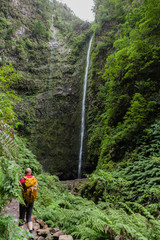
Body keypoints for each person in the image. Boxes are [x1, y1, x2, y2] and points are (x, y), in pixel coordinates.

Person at [19, 168, 38, 234]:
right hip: (31, 200)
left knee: (21, 217)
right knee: (29, 216)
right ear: (31, 172)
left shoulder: (22, 179)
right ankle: (30, 232)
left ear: (25, 172)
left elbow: (19, 187)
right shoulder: (34, 179)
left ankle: (21, 234)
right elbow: (36, 188)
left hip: (23, 199)